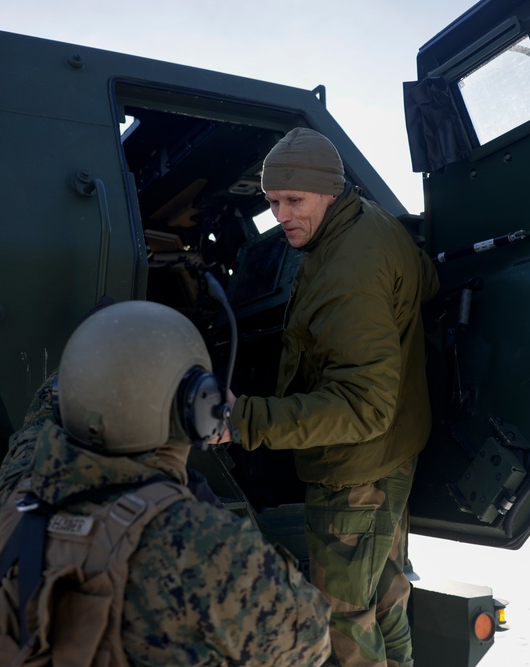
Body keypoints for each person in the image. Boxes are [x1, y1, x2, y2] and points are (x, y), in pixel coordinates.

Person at [0, 299, 332, 667]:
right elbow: (310, 639)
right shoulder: (198, 541)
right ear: (198, 408)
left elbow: (45, 418)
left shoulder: (20, 485)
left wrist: (98, 350)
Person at [219, 128, 440, 667]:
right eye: (273, 203)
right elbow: (427, 281)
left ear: (329, 192)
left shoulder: (348, 267)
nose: (282, 215)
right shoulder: (368, 228)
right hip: (388, 454)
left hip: (354, 469)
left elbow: (362, 406)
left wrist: (241, 418)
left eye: (294, 200)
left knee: (341, 617)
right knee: (384, 596)